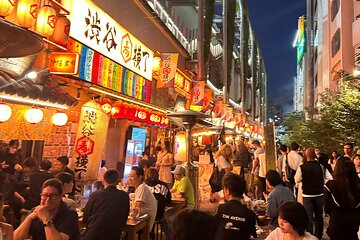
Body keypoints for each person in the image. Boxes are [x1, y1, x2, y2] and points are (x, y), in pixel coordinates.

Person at [14, 178, 79, 240]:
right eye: (45, 195)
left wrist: (46, 219)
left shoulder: (70, 214)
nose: (48, 199)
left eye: (53, 196)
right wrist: (29, 218)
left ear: (60, 197)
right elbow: (15, 238)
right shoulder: (36, 210)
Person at [81, 169, 129, 240]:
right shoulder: (124, 196)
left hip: (93, 235)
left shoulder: (95, 195)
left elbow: (85, 217)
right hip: (114, 236)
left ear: (103, 181)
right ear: (117, 182)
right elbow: (124, 218)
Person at [324, 156, 360, 240]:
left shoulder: (330, 185)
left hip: (337, 220)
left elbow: (327, 207)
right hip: (355, 220)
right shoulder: (358, 184)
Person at [215, 172, 257, 240]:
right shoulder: (249, 213)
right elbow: (253, 234)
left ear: (227, 191)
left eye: (224, 189)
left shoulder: (221, 209)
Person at [294, 148, 324, 239]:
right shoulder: (321, 166)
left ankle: (310, 236)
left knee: (309, 218)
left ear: (306, 155)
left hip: (307, 195)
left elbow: (297, 179)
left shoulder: (302, 167)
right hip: (319, 194)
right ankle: (319, 235)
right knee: (319, 217)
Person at [145, 167, 171, 238]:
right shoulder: (164, 185)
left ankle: (149, 234)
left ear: (146, 175)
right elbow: (169, 201)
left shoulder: (143, 186)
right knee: (163, 216)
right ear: (158, 175)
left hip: (147, 217)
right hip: (159, 215)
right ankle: (169, 236)